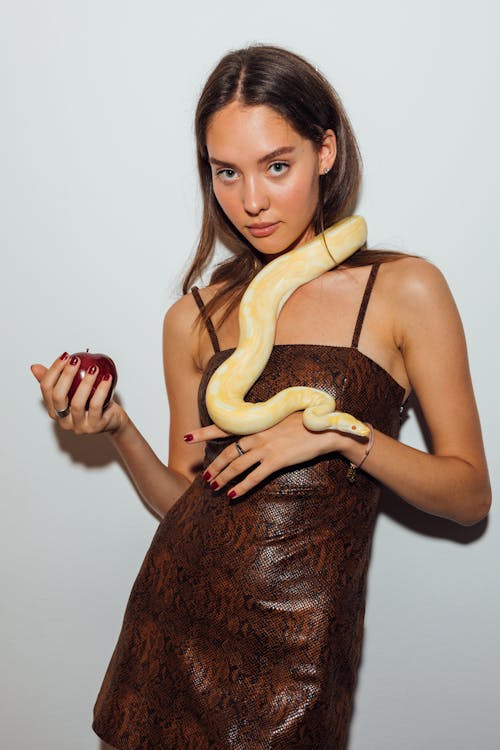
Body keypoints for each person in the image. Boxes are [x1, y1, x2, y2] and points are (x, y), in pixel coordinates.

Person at [31, 45, 490, 750]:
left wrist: (340, 435)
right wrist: (118, 428)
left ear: (326, 150)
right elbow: (184, 498)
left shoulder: (403, 290)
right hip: (169, 627)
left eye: (277, 166)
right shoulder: (195, 316)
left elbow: (469, 498)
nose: (251, 201)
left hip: (299, 652)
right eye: (226, 172)